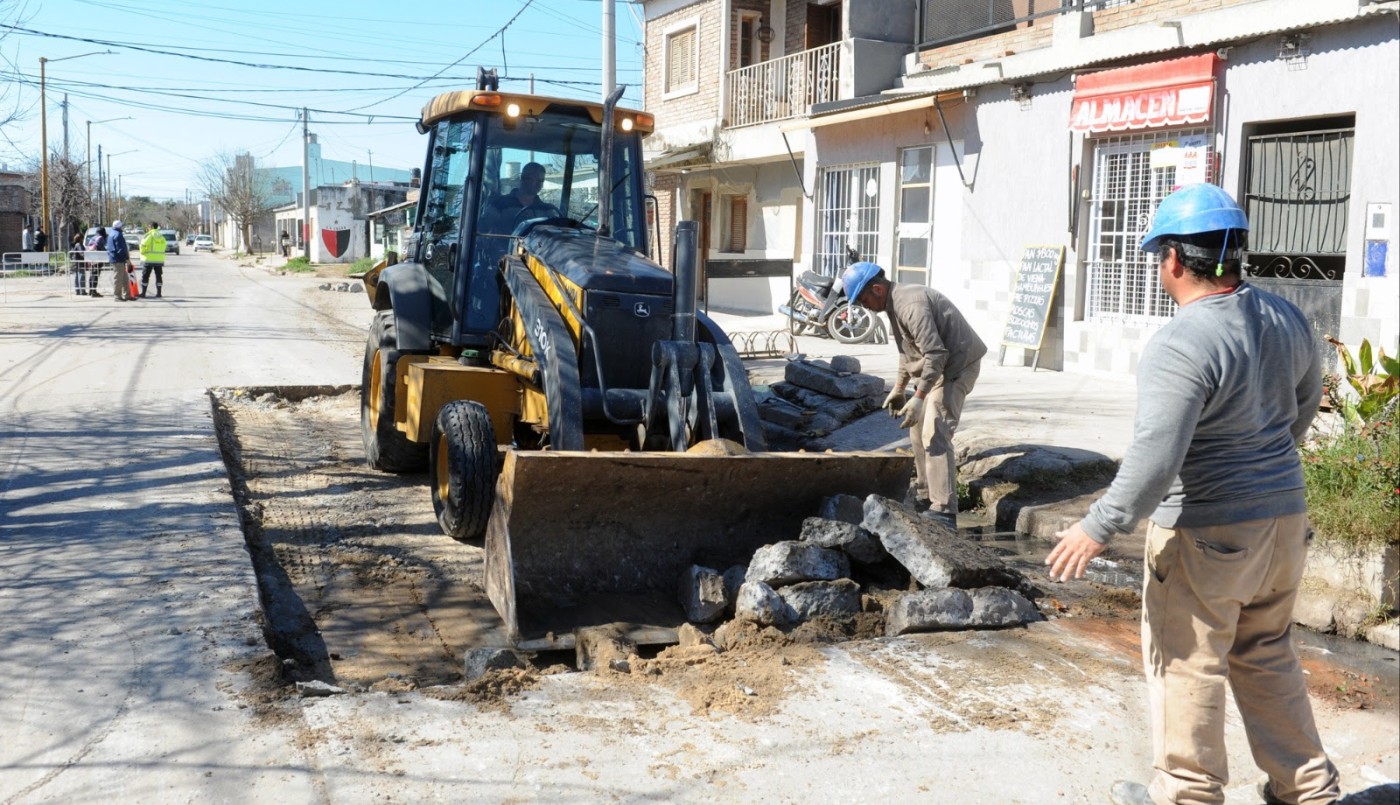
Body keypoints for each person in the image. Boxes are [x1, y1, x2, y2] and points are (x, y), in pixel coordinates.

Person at [1044, 184, 1338, 805]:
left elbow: (1157, 456)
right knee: (1267, 651)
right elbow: (1303, 408)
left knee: (1187, 660)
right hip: (1284, 519)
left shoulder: (1182, 343)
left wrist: (1098, 524)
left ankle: (1186, 792)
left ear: (1174, 260)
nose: (1158, 267)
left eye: (1159, 256)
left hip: (1209, 531)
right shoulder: (1289, 319)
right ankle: (1307, 787)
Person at [842, 261, 986, 529]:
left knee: (936, 430)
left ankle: (943, 510)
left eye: (862, 300)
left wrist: (919, 397)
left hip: (957, 364)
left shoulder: (910, 306)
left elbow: (935, 354)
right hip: (940, 365)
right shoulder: (893, 305)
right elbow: (907, 353)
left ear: (876, 288)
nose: (863, 307)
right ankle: (925, 495)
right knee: (916, 430)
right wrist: (898, 388)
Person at [482, 162, 561, 234]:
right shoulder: (500, 204)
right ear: (524, 178)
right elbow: (482, 230)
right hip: (505, 249)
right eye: (535, 180)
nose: (539, 184)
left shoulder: (547, 210)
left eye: (541, 181)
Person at [107, 220, 135, 301]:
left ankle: (127, 295)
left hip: (115, 258)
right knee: (118, 278)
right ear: (120, 226)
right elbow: (121, 249)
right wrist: (127, 259)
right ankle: (117, 296)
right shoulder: (118, 235)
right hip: (118, 259)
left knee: (124, 278)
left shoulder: (111, 233)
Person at [139, 223, 167, 298]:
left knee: (145, 276)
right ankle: (159, 293)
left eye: (148, 226)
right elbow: (164, 246)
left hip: (148, 259)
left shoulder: (149, 235)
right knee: (158, 276)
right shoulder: (161, 236)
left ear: (151, 227)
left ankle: (143, 293)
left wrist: (142, 252)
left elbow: (143, 244)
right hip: (159, 260)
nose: (147, 228)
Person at [85, 226, 107, 297]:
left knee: (92, 274)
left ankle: (90, 291)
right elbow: (102, 248)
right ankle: (94, 292)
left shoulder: (93, 237)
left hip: (91, 258)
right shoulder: (101, 238)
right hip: (97, 259)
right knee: (96, 275)